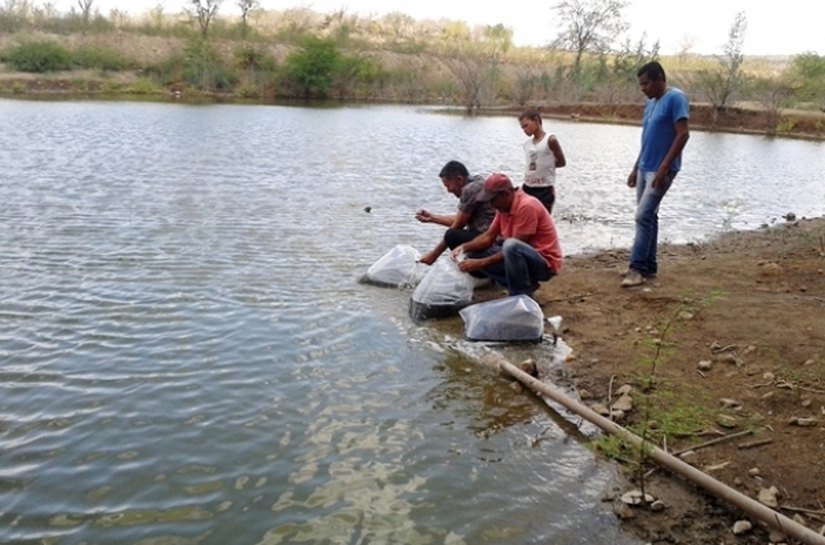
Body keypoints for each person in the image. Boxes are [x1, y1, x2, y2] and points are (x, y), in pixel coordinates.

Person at [621, 61, 690, 288]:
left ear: (660, 78)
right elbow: (647, 139)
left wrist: (664, 167)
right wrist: (635, 167)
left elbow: (682, 135)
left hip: (662, 170)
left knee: (642, 216)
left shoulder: (676, 98)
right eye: (641, 84)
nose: (643, 88)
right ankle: (649, 265)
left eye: (646, 83)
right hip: (644, 168)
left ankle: (637, 268)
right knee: (649, 216)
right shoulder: (650, 103)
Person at [450, 173, 562, 298]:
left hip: (544, 262)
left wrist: (481, 263)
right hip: (524, 257)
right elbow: (488, 236)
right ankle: (523, 286)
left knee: (510, 245)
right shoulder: (503, 208)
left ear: (506, 194)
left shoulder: (526, 206)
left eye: (493, 199)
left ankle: (521, 293)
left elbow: (517, 245)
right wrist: (464, 248)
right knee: (474, 253)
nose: (491, 205)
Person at [415, 160, 496, 265]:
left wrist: (434, 254)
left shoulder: (469, 190)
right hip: (488, 233)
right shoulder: (477, 180)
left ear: (459, 179)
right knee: (454, 233)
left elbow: (458, 224)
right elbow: (462, 218)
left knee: (451, 235)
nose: (448, 190)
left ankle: (478, 267)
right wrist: (433, 218)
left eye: (448, 186)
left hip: (488, 237)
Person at [518, 107, 567, 214]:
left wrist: (547, 166)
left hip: (544, 189)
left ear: (536, 120)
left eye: (526, 126)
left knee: (541, 221)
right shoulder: (527, 144)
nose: (525, 130)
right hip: (527, 187)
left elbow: (562, 162)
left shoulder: (550, 140)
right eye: (522, 128)